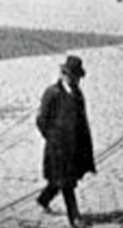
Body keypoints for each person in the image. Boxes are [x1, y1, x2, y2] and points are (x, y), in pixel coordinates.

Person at [36, 55, 95, 228]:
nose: (75, 80)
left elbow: (81, 120)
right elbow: (41, 119)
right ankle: (74, 217)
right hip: (57, 148)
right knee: (67, 183)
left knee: (58, 181)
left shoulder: (77, 93)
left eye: (77, 77)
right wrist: (52, 137)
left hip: (74, 147)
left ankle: (43, 199)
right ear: (63, 74)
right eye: (72, 76)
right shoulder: (52, 93)